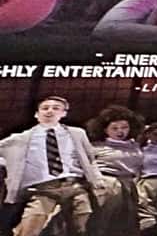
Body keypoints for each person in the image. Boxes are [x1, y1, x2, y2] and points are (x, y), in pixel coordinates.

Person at [0, 96, 109, 235]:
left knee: (83, 223)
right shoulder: (20, 139)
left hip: (73, 186)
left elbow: (89, 159)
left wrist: (97, 180)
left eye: (56, 108)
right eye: (45, 108)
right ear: (36, 114)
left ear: (64, 113)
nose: (50, 111)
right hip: (43, 189)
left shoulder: (77, 134)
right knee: (30, 226)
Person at [86, 108, 144, 236]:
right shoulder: (96, 147)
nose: (120, 131)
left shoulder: (134, 146)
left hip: (129, 185)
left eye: (124, 127)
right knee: (104, 222)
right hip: (108, 184)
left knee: (128, 223)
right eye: (115, 128)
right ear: (105, 129)